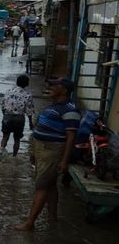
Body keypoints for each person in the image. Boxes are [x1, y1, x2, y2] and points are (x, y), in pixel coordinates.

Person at [15, 78, 80, 231]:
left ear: (64, 90)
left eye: (55, 85)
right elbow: (40, 130)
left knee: (41, 186)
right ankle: (52, 218)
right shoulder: (55, 106)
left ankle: (30, 223)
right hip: (41, 150)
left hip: (52, 151)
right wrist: (33, 151)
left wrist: (64, 161)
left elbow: (71, 137)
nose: (51, 87)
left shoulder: (70, 110)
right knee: (50, 185)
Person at [0, 74, 35, 156]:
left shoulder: (8, 91)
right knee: (17, 139)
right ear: (27, 84)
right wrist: (30, 122)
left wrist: (5, 115)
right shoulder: (28, 95)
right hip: (19, 118)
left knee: (5, 137)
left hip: (7, 117)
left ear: (17, 82)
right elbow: (29, 111)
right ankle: (14, 157)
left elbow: (2, 105)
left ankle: (1, 154)